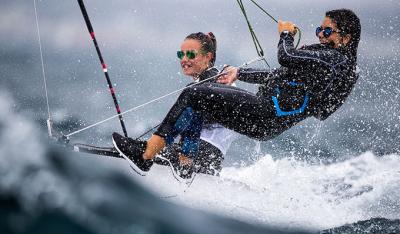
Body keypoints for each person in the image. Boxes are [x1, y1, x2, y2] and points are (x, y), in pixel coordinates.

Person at [112, 9, 361, 176]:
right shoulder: (330, 64)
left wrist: (286, 33)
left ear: (346, 38)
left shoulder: (335, 60)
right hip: (267, 120)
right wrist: (239, 74)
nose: (320, 35)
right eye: (319, 29)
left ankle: (145, 155)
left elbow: (285, 56)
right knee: (200, 98)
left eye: (326, 31)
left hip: (265, 114)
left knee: (194, 94)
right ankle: (186, 162)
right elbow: (277, 75)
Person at [153, 32, 238, 179]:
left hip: (204, 154)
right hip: (206, 156)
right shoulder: (209, 78)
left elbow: (212, 109)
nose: (184, 60)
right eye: (181, 54)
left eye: (191, 55)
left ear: (208, 57)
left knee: (146, 151)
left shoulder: (218, 81)